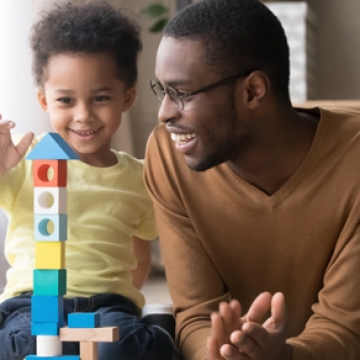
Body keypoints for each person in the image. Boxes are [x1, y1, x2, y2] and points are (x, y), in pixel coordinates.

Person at [144, 0, 360, 359]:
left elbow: (345, 328)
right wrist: (221, 354)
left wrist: (283, 356)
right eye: (162, 90)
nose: (164, 112)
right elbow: (197, 314)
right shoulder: (169, 156)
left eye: (181, 93)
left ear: (253, 91)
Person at [0, 2, 178, 360]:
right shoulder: (23, 161)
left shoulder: (139, 176)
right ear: (44, 101)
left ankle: (155, 327)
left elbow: (140, 252)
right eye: (65, 100)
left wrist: (127, 298)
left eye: (100, 98)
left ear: (127, 98)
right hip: (29, 303)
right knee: (16, 347)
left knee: (126, 348)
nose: (83, 115)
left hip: (106, 303)